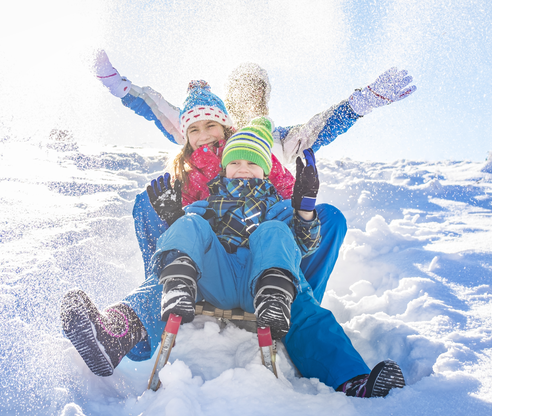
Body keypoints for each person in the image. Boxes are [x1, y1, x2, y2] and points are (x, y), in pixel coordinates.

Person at [61, 118, 406, 398]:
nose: (243, 168)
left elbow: (307, 244)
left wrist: (303, 212)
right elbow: (193, 237)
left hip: (270, 287)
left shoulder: (279, 208)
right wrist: (175, 221)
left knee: (285, 257)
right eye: (235, 162)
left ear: (265, 171)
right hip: (220, 280)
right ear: (225, 169)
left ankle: (353, 380)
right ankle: (118, 332)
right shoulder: (206, 204)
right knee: (191, 224)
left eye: (252, 163)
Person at [91, 49, 416, 269]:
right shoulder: (208, 130)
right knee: (149, 202)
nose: (251, 98)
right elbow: (158, 109)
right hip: (209, 247)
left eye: (257, 92)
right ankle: (161, 288)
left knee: (328, 219)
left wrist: (361, 103)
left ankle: (299, 305)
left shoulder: (273, 138)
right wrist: (118, 85)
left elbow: (317, 129)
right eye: (243, 91)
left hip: (265, 245)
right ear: (229, 99)